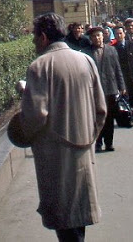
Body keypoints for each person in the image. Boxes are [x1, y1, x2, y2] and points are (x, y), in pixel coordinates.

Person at [18, 13, 106, 241]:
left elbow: (36, 116)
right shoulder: (85, 60)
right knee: (79, 218)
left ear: (44, 37)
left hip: (54, 157)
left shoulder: (38, 66)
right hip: (84, 152)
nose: (33, 42)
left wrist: (24, 99)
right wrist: (88, 138)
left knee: (64, 222)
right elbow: (101, 110)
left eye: (34, 37)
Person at [87, 26, 126, 152]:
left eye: (98, 35)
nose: (96, 38)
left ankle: (109, 142)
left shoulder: (111, 50)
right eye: (94, 36)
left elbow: (117, 68)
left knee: (109, 117)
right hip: (94, 90)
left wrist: (122, 86)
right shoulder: (87, 52)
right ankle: (98, 143)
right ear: (91, 38)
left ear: (103, 36)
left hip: (110, 88)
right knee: (96, 117)